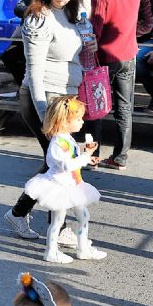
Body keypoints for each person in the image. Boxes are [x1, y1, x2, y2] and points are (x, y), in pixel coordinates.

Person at [4, 0, 89, 244]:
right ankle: (57, 227)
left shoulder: (74, 12)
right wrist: (47, 121)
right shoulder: (38, 17)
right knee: (60, 166)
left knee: (54, 166)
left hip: (65, 99)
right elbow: (35, 74)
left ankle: (19, 214)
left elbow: (79, 52)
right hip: (44, 100)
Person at [90, 0, 153, 171]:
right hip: (128, 55)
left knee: (96, 106)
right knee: (124, 107)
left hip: (105, 57)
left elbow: (96, 29)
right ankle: (120, 157)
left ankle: (92, 155)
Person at [24, 97, 106, 262]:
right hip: (61, 187)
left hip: (73, 185)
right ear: (63, 121)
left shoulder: (66, 138)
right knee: (57, 221)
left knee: (83, 216)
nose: (82, 122)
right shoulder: (57, 143)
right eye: (77, 119)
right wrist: (85, 156)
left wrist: (86, 153)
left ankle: (83, 249)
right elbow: (67, 164)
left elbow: (73, 153)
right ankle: (51, 252)